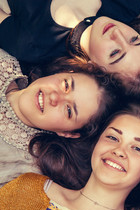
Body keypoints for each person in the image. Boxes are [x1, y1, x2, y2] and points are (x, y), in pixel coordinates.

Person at [0, 102, 140, 210]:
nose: (119, 151)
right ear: (96, 143)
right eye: (113, 137)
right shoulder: (27, 189)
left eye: (137, 148)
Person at [0, 0, 140, 97]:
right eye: (134, 39)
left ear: (94, 69)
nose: (118, 34)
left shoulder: (34, 45)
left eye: (115, 53)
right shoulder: (126, 3)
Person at [0, 48, 119, 187]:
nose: (55, 97)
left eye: (69, 110)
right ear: (63, 72)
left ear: (68, 133)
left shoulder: (22, 170)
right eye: (66, 85)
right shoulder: (4, 63)